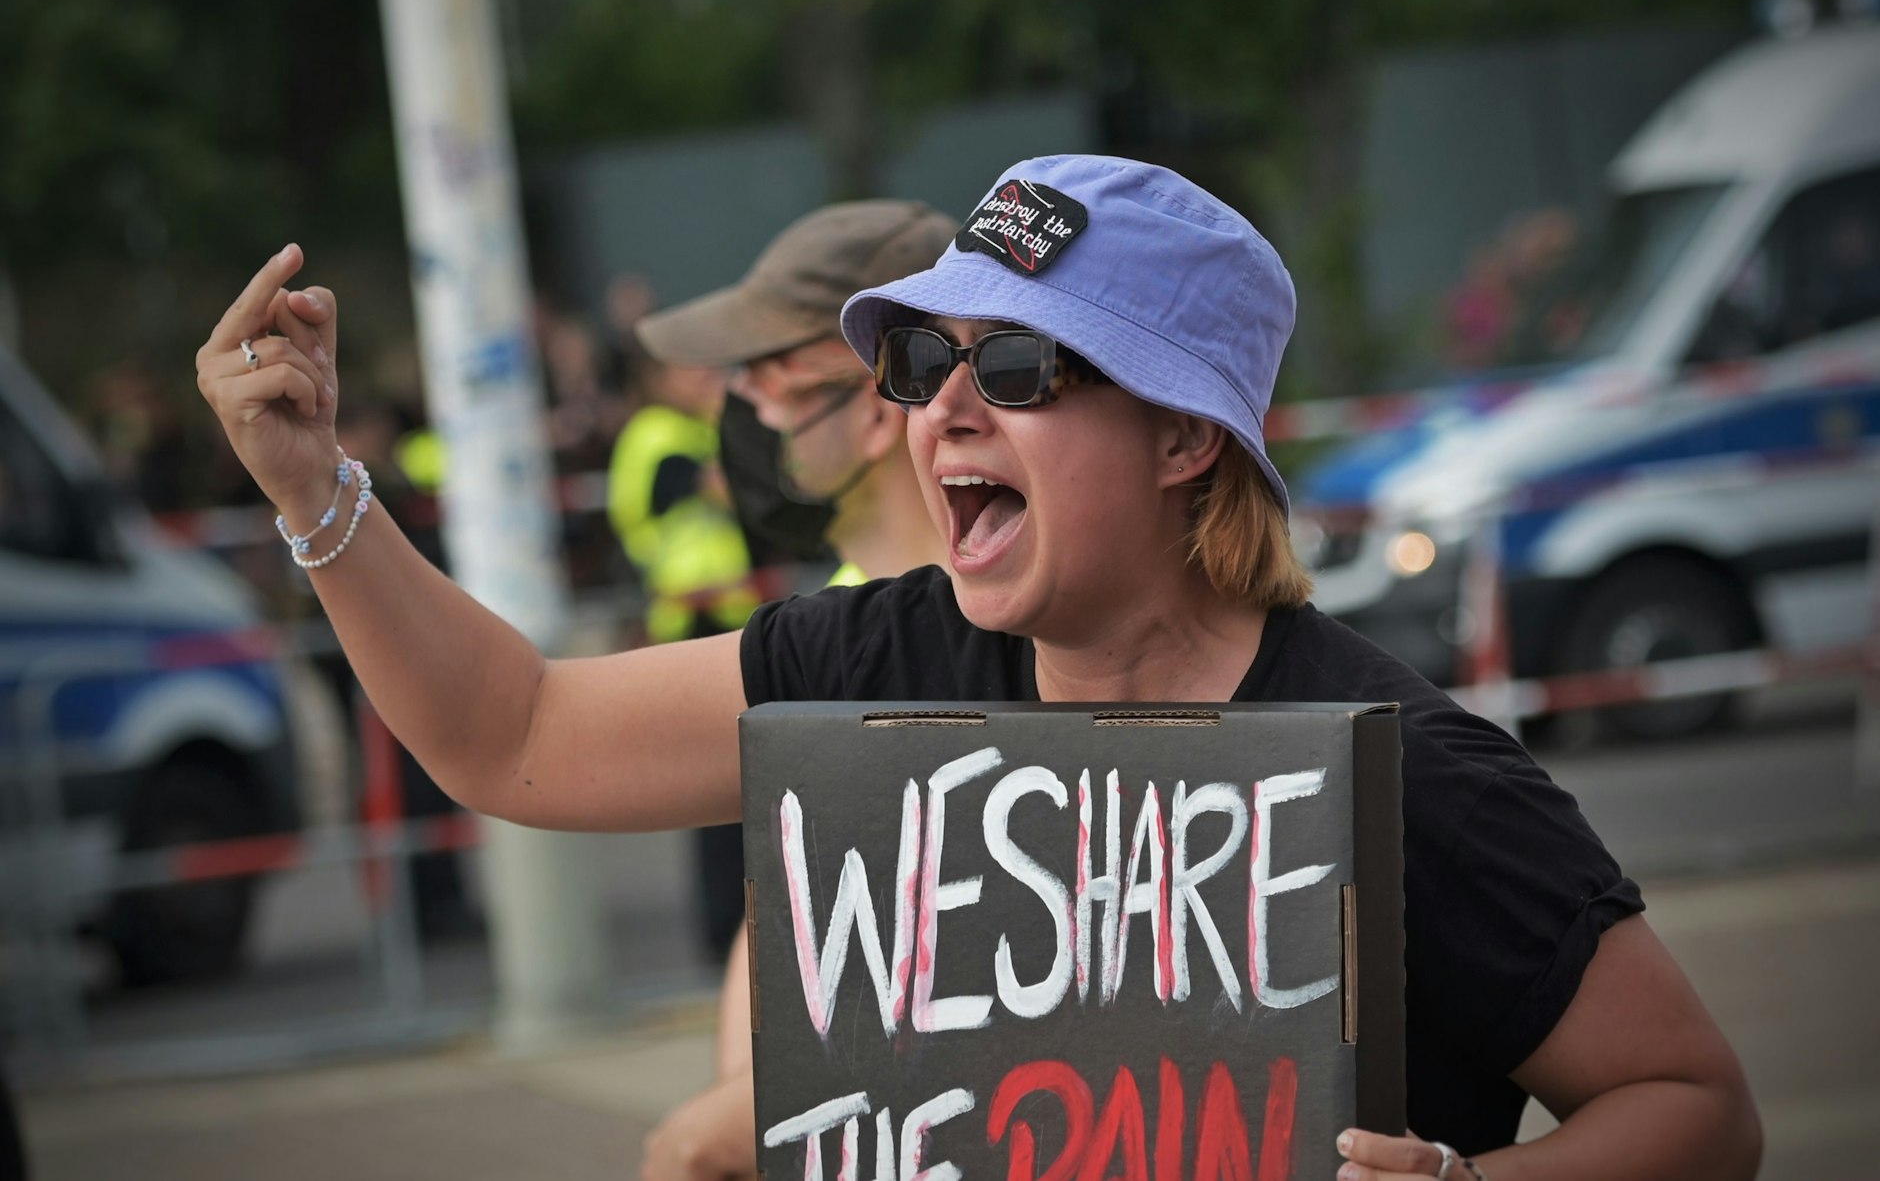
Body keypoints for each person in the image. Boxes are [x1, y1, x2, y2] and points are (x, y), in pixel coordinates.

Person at [194, 155, 1760, 1181]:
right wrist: (316, 490)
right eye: (920, 358)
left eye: (1016, 367)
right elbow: (515, 734)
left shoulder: (1402, 765)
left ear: (1182, 434)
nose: (941, 407)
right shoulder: (869, 656)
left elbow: (1699, 1112)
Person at [629, 200, 954, 1181]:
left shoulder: (981, 636)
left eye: (768, 368)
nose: (743, 402)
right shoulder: (835, 626)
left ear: (869, 400)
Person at [607, 355, 758, 960]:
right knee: (719, 792)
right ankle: (723, 933)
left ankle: (729, 929)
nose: (708, 379)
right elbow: (715, 487)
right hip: (691, 620)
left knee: (735, 791)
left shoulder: (688, 432)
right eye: (694, 371)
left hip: (725, 616)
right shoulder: (656, 435)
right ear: (656, 378)